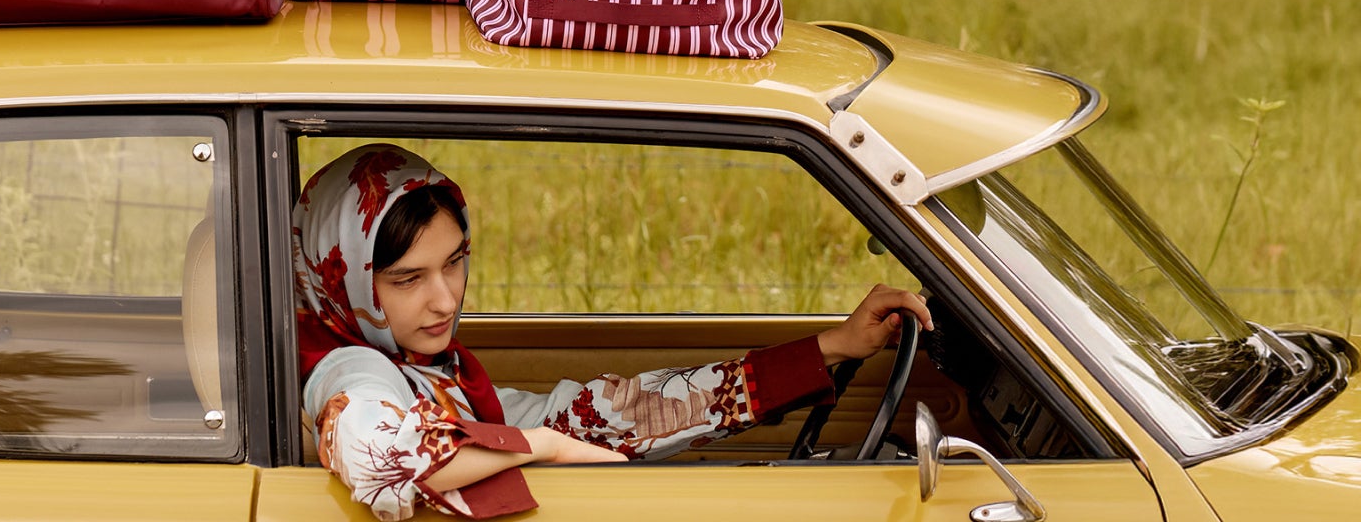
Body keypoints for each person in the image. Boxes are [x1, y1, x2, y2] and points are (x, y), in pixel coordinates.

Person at [295, 143, 933, 520]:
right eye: (408, 279)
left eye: (456, 261)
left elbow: (612, 415)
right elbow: (382, 456)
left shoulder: (434, 373)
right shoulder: (350, 368)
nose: (446, 298)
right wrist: (544, 447)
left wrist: (829, 348)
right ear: (342, 280)